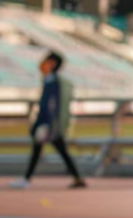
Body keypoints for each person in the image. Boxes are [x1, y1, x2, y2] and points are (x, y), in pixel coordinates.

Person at [10, 51, 86, 190]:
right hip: (51, 125)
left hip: (49, 125)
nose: (42, 63)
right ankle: (77, 178)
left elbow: (50, 106)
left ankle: (26, 179)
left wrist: (43, 123)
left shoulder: (53, 82)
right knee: (58, 151)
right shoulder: (50, 80)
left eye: (46, 60)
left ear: (52, 63)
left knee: (40, 151)